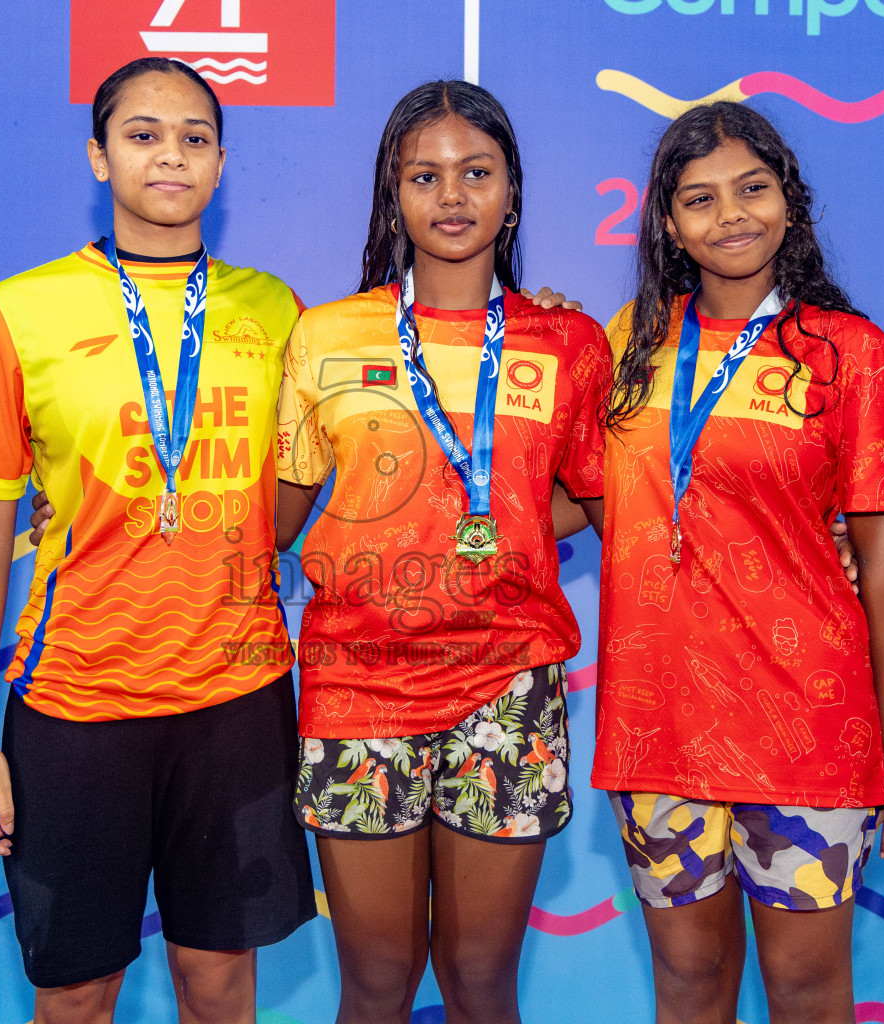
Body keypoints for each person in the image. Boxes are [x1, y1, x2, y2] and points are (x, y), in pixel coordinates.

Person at [0, 58, 316, 1024]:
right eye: (143, 135)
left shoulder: (277, 312)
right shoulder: (18, 312)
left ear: (222, 165)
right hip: (74, 706)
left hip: (236, 700)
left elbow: (323, 470)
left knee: (221, 982)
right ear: (99, 157)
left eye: (195, 138)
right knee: (75, 993)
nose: (171, 156)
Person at [273, 80, 611, 1024]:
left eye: (477, 172)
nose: (452, 195)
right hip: (357, 682)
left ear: (513, 191)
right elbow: (277, 516)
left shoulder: (569, 339)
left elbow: (593, 496)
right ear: (394, 193)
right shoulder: (327, 334)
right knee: (376, 987)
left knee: (480, 984)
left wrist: (492, 522)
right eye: (425, 176)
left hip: (508, 685)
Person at [588, 102, 884, 1024]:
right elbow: (572, 483)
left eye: (753, 189)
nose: (731, 215)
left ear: (790, 203)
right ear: (667, 222)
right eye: (700, 198)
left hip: (807, 727)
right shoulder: (627, 345)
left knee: (808, 993)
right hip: (658, 726)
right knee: (688, 988)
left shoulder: (852, 357)